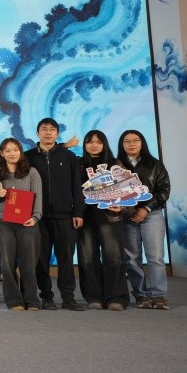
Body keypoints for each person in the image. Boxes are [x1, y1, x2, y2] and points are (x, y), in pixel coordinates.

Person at [24, 118, 85, 311]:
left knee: (66, 258)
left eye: (52, 129)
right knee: (41, 259)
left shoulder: (69, 157)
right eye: (44, 129)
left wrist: (78, 212)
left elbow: (77, 186)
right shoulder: (28, 157)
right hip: (38, 217)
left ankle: (68, 298)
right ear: (38, 133)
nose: (48, 132)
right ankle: (46, 297)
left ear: (57, 133)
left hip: (65, 216)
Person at [117, 130, 171, 310]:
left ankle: (158, 295)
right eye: (127, 141)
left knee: (155, 257)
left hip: (152, 214)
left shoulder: (155, 164)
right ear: (122, 144)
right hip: (127, 216)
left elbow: (164, 190)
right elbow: (113, 192)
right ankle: (140, 295)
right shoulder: (116, 166)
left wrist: (146, 208)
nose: (131, 144)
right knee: (132, 258)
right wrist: (129, 210)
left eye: (136, 140)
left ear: (142, 143)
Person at [76, 130, 129, 311]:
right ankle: (94, 297)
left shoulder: (115, 164)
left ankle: (117, 297)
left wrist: (121, 207)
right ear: (84, 145)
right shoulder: (78, 163)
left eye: (98, 142)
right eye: (90, 142)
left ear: (104, 144)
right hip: (85, 217)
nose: (94, 145)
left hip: (110, 216)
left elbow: (128, 190)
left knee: (114, 257)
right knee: (87, 259)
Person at [0, 138, 42, 310]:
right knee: (7, 263)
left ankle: (32, 299)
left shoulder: (32, 172)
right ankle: (14, 300)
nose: (12, 153)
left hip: (27, 222)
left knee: (29, 263)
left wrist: (35, 217)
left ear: (20, 152)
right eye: (8, 150)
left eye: (16, 150)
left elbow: (38, 196)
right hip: (4, 223)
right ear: (2, 153)